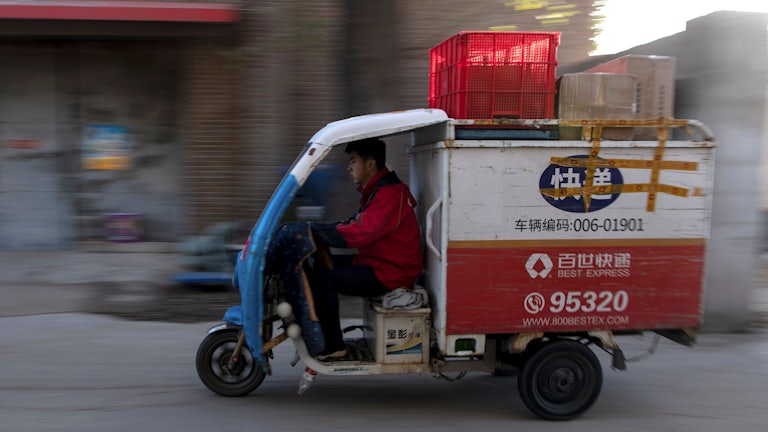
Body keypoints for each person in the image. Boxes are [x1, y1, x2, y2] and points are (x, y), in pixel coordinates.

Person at [308, 137, 423, 361]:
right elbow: (350, 224)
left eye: (353, 161)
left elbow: (360, 232)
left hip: (390, 273)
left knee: (324, 280)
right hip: (375, 262)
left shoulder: (390, 194)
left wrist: (315, 231)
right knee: (319, 265)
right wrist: (316, 230)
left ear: (370, 164)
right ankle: (319, 333)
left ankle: (332, 346)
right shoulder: (375, 192)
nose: (349, 167)